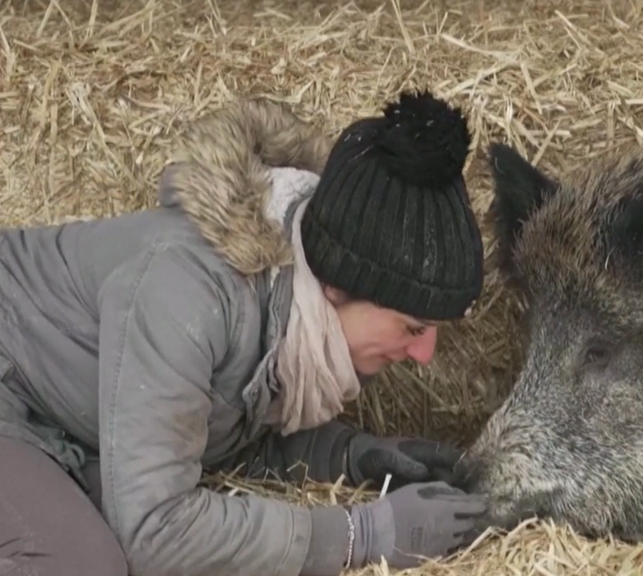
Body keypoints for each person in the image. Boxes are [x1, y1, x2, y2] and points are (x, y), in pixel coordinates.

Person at [0, 89, 489, 576]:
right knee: (81, 564)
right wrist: (364, 535)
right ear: (339, 286)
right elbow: (157, 531)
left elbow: (216, 435)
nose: (425, 353)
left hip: (51, 414)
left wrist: (353, 457)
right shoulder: (190, 291)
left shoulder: (290, 306)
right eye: (415, 326)